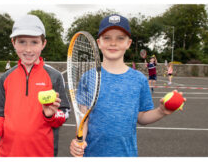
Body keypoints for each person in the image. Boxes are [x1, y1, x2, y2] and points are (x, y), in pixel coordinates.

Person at [69, 14, 184, 157]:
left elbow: (141, 117)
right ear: (99, 43)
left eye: (120, 38)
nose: (113, 43)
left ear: (128, 43)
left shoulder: (139, 80)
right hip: (93, 154)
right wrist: (79, 141)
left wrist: (161, 111)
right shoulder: (88, 77)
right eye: (107, 38)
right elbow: (83, 118)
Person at [0, 14, 69, 156]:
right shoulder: (5, 78)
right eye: (22, 42)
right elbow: (0, 116)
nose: (28, 49)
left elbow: (64, 113)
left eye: (34, 42)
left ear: (43, 44)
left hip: (43, 154)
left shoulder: (54, 77)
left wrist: (51, 115)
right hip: (8, 154)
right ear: (13, 42)